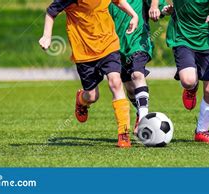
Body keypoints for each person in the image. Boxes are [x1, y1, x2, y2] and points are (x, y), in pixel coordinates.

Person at [39, 0, 139, 148]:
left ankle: (123, 134)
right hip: (84, 52)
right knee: (92, 96)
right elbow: (51, 12)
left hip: (108, 44)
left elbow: (118, 1)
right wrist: (47, 35)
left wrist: (133, 15)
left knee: (115, 82)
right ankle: (81, 100)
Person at [166, 0, 209, 144]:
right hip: (183, 40)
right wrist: (157, 6)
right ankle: (191, 87)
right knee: (188, 80)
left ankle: (202, 131)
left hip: (207, 42)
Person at [109, 0, 172, 135]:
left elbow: (157, 6)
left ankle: (144, 121)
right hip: (116, 46)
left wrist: (164, 9)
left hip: (139, 42)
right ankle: (140, 112)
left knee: (137, 74)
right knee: (130, 90)